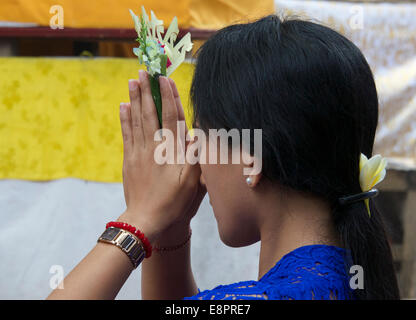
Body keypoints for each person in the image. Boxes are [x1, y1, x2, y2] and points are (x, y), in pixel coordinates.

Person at [47, 15, 399, 300]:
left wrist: (139, 218)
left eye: (201, 136)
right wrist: (169, 230)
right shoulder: (350, 280)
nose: (196, 167)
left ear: (251, 158)